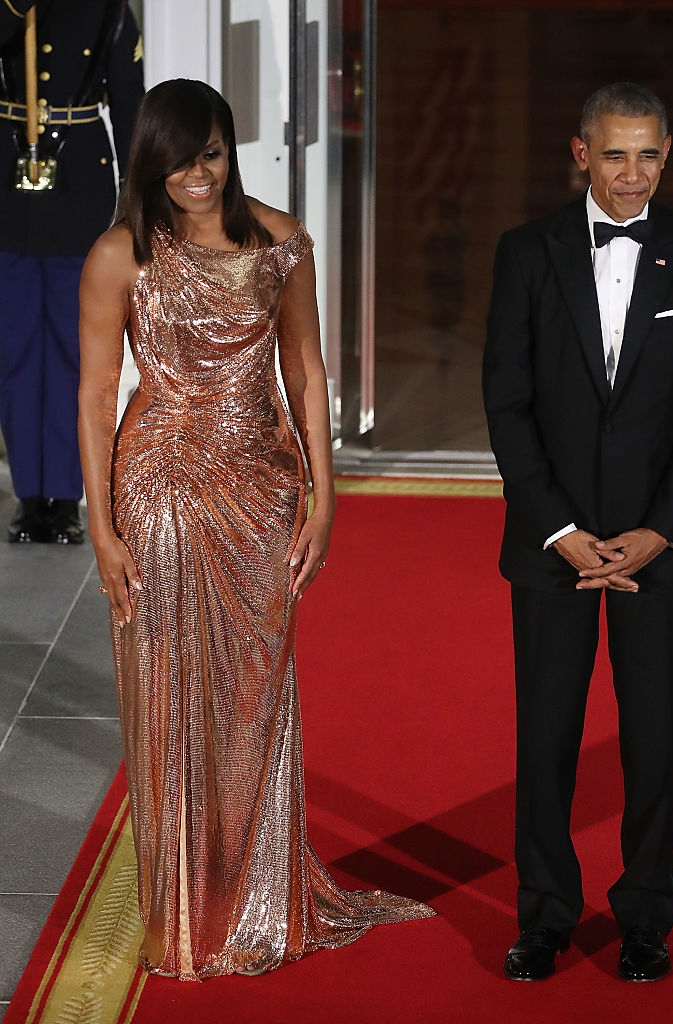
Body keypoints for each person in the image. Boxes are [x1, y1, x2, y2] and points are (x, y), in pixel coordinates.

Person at [78, 79, 433, 980]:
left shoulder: (279, 241)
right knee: (164, 698)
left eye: (210, 154)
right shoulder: (120, 254)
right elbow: (91, 399)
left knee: (254, 701)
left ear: (231, 152)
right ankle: (182, 911)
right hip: (155, 487)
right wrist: (101, 526)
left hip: (260, 491)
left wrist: (324, 492)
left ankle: (258, 898)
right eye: (178, 158)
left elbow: (307, 370)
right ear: (149, 162)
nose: (196, 175)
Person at [483, 82, 673, 983]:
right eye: (615, 155)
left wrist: (657, 533)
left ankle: (644, 916)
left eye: (649, 156)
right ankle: (545, 915)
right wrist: (557, 529)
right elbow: (506, 406)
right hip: (550, 547)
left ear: (667, 154)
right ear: (580, 152)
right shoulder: (525, 254)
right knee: (545, 740)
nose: (633, 176)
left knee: (654, 742)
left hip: (655, 551)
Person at [0, 0, 143, 543]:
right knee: (14, 351)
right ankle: (29, 495)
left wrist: (139, 196)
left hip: (77, 180)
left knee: (70, 351)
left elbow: (129, 102)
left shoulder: (108, 8)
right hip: (10, 188)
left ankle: (64, 497)